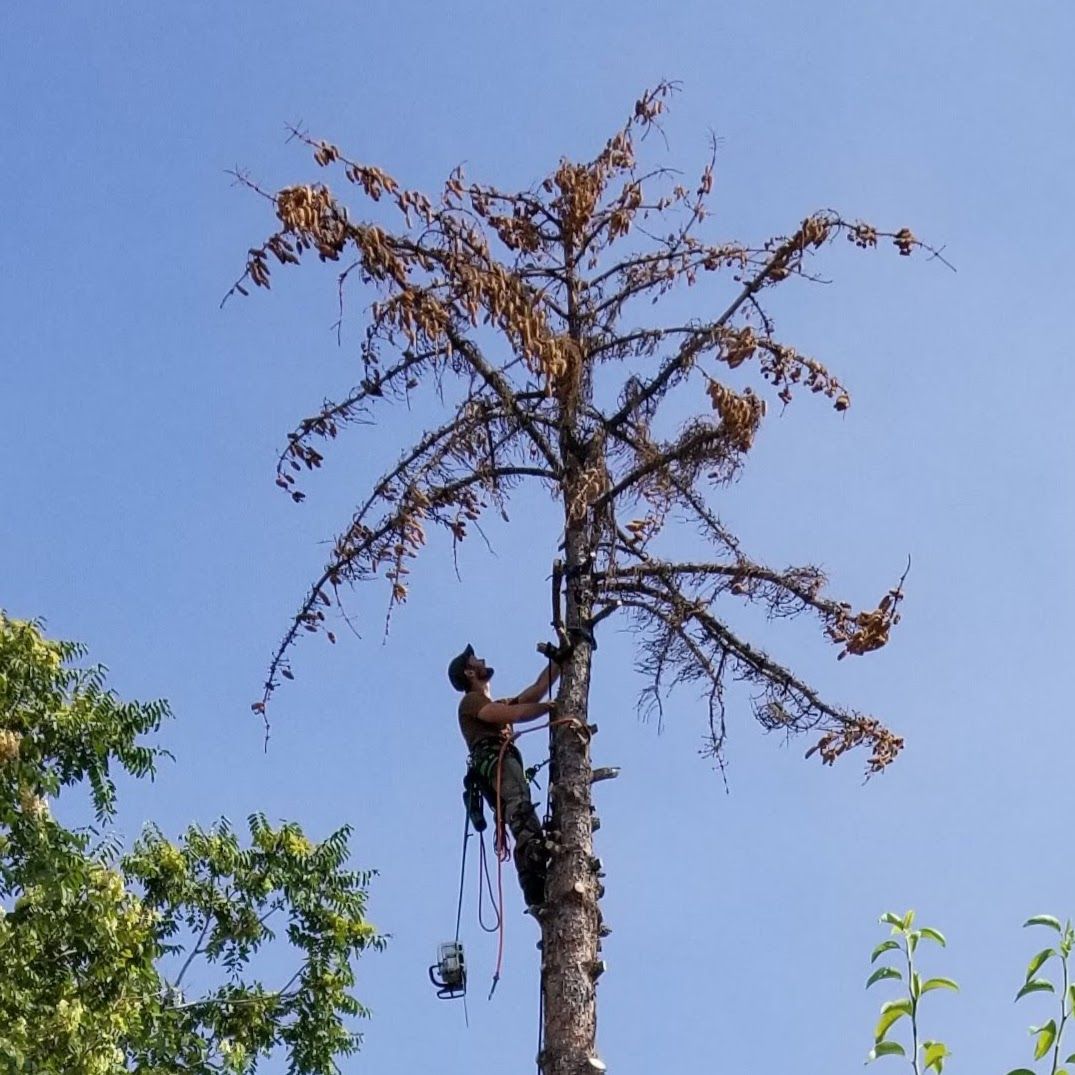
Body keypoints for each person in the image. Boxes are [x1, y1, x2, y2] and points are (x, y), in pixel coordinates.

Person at [447, 642, 567, 909]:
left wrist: (561, 661)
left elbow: (534, 691)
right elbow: (516, 713)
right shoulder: (471, 701)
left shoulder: (489, 701)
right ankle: (533, 856)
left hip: (501, 761)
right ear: (469, 673)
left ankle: (535, 875)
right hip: (495, 761)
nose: (482, 659)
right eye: (475, 659)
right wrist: (553, 707)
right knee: (518, 804)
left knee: (519, 802)